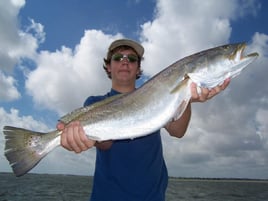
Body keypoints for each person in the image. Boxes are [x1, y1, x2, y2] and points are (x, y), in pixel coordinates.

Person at [57, 39, 230, 201]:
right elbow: (105, 144)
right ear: (108, 67)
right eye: (118, 58)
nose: (125, 62)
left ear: (138, 69)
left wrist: (187, 98)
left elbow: (178, 131)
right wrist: (84, 138)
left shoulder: (157, 95)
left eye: (132, 59)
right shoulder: (94, 103)